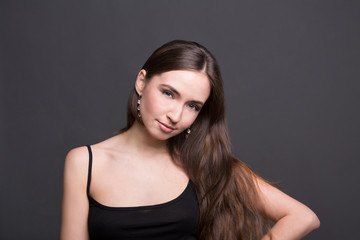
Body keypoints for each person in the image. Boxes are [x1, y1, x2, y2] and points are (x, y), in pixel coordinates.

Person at [60, 40, 320, 240]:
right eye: (169, 93)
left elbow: (303, 217)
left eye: (193, 106)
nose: (175, 115)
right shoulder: (84, 163)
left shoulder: (204, 163)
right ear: (142, 82)